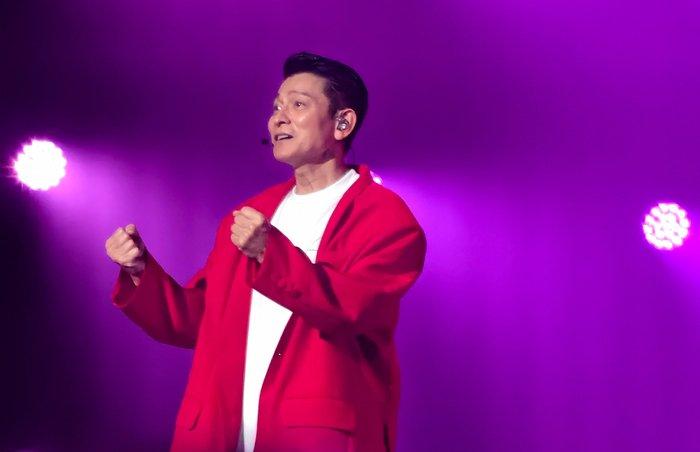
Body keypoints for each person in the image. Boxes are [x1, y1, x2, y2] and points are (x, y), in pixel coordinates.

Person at [105, 52, 426, 452]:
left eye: (298, 105)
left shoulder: (382, 216)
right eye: (276, 107)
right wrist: (140, 271)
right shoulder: (250, 213)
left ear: (342, 123)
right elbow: (198, 321)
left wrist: (269, 253)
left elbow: (352, 308)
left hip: (314, 436)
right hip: (219, 435)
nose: (278, 119)